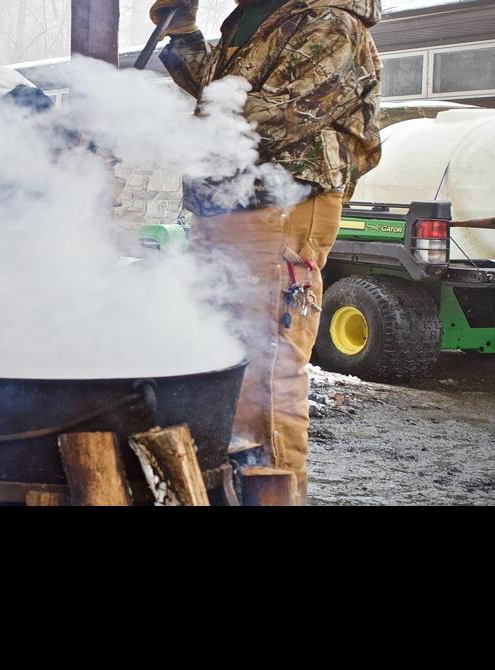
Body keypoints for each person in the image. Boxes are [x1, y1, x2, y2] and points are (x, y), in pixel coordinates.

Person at [150, 0, 381, 504]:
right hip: (225, 203)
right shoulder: (248, 17)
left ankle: (274, 493)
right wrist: (184, 36)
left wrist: (158, 133)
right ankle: (229, 488)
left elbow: (280, 114)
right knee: (219, 356)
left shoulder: (329, 21)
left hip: (282, 203)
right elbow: (218, 90)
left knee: (266, 366)